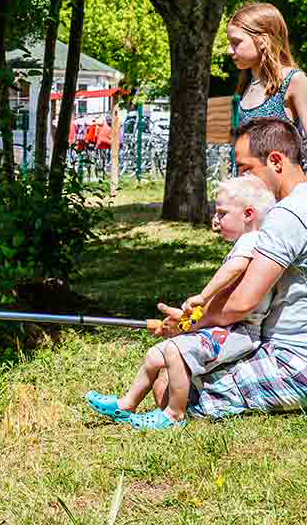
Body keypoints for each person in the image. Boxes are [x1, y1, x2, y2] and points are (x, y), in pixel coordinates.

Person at [120, 118, 307, 428]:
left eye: (246, 169)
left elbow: (242, 303)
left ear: (275, 161)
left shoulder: (288, 214)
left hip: (299, 365)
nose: (241, 177)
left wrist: (190, 324)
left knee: (170, 382)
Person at [85, 174, 277, 429]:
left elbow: (234, 269)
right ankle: (126, 405)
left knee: (176, 351)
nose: (215, 220)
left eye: (221, 213)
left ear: (248, 214)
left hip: (240, 331)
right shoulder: (246, 241)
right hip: (227, 326)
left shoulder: (253, 240)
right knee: (155, 355)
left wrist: (203, 295)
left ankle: (174, 415)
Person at [228, 2, 307, 180]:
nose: (229, 50)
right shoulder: (245, 85)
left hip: (283, 195)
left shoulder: (292, 80)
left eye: (236, 43)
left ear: (262, 41)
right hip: (252, 195)